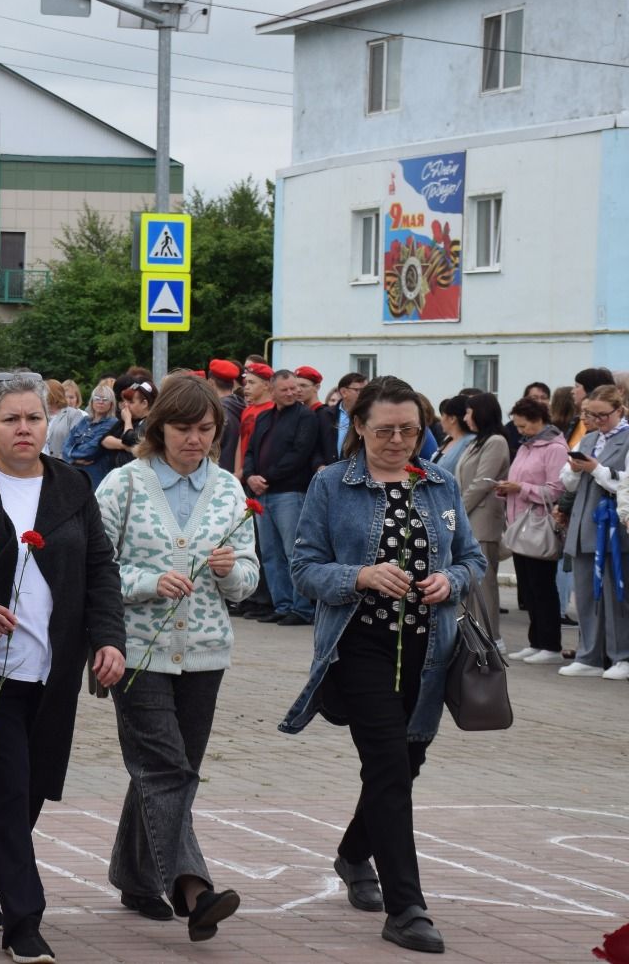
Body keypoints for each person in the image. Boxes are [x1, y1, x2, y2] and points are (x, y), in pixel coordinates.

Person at [281, 375, 484, 955]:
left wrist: (452, 580)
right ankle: (407, 908)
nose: (398, 441)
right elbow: (304, 569)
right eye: (385, 431)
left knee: (404, 764)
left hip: (430, 651)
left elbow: (472, 559)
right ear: (360, 428)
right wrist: (361, 576)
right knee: (390, 766)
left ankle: (352, 854)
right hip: (359, 646)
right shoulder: (331, 483)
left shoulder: (439, 482)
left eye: (409, 431)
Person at [0, 373, 125, 964]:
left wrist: (108, 639)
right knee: (6, 789)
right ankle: (24, 922)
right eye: (11, 419)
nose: (24, 429)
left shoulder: (71, 484)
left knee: (28, 793)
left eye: (33, 418)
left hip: (53, 671)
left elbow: (100, 567)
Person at [95, 374, 259, 943]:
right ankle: (194, 889)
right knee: (168, 769)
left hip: (206, 653)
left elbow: (249, 578)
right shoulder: (124, 484)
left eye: (206, 429)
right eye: (183, 429)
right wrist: (148, 581)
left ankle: (134, 876)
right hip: (137, 652)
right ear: (158, 427)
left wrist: (230, 572)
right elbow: (94, 567)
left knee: (164, 771)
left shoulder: (229, 490)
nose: (195, 440)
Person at [555, 385, 629, 680]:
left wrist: (596, 468)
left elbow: (624, 484)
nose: (596, 421)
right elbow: (569, 483)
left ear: (619, 410)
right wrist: (574, 469)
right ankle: (589, 655)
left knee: (616, 594)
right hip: (584, 525)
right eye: (590, 415)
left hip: (614, 529)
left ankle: (621, 656)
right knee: (586, 595)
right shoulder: (588, 438)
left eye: (602, 415)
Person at [242, 370, 320, 625]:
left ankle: (301, 608)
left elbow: (299, 454)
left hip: (289, 493)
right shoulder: (264, 417)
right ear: (272, 390)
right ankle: (282, 604)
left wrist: (266, 478)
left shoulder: (305, 417)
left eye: (294, 388)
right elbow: (250, 451)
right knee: (270, 554)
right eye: (284, 389)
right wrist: (250, 476)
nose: (291, 393)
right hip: (263, 494)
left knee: (293, 552)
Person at [494, 397, 568, 664]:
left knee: (542, 586)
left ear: (538, 421)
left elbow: (556, 490)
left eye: (523, 425)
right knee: (529, 588)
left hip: (538, 525)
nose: (520, 430)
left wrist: (520, 488)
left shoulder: (555, 448)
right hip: (519, 525)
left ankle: (550, 644)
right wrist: (507, 489)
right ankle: (535, 641)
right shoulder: (527, 445)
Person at [456, 392, 511, 644]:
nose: (465, 417)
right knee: (472, 581)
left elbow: (482, 482)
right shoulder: (477, 441)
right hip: (470, 517)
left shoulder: (496, 441)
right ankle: (475, 633)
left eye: (469, 412)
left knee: (485, 583)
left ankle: (491, 637)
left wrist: (458, 510)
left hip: (483, 519)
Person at [62, 384, 121, 488]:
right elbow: (66, 444)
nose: (100, 402)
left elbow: (91, 450)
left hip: (95, 479)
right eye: (97, 398)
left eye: (105, 399)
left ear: (111, 404)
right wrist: (74, 459)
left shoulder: (112, 423)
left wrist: (70, 455)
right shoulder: (84, 420)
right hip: (75, 475)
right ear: (92, 401)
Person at [430, 396, 472, 482]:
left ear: (452, 419)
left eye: (443, 415)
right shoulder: (449, 439)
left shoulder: (469, 442)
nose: (441, 420)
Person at [504, 382, 550, 454]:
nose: (539, 401)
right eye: (534, 398)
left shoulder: (555, 428)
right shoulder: (510, 428)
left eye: (543, 398)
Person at [43, 379, 82, 460]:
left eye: (44, 393)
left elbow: (76, 442)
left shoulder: (73, 414)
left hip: (60, 463)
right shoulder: (40, 414)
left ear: (53, 395)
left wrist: (60, 460)